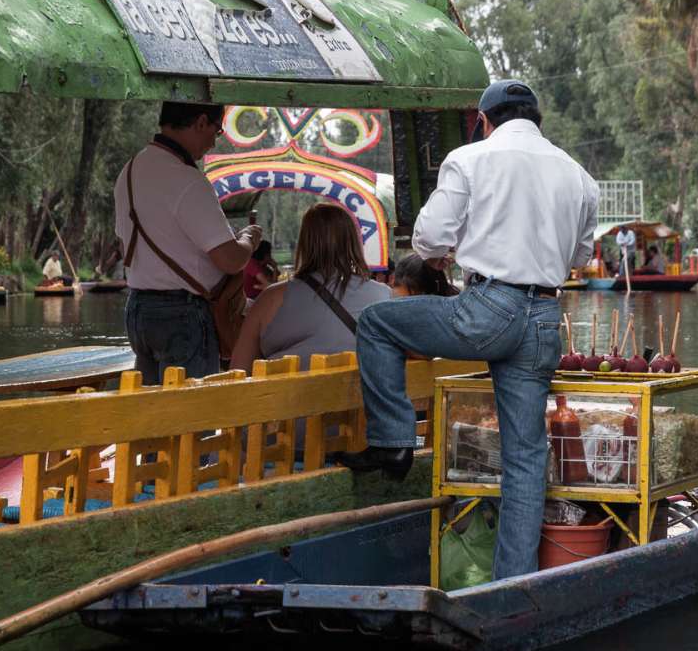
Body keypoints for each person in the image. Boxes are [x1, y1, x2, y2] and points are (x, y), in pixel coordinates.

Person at [335, 79, 599, 581]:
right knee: (525, 458)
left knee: (376, 322)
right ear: (536, 120)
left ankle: (393, 439)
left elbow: (429, 239)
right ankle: (512, 585)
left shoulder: (471, 158)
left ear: (484, 120)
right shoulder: (578, 175)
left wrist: (456, 251)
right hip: (544, 317)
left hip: (487, 310)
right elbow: (580, 257)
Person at [114, 101, 262, 384]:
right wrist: (248, 239)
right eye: (216, 132)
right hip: (182, 314)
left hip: (138, 310)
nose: (212, 143)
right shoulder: (187, 180)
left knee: (151, 412)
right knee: (193, 417)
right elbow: (230, 259)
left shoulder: (129, 172)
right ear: (201, 122)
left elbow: (125, 247)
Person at [230, 204, 389, 373]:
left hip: (286, 396)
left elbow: (238, 371)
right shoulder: (383, 296)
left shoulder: (270, 299)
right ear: (353, 242)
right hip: (363, 396)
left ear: (304, 243)